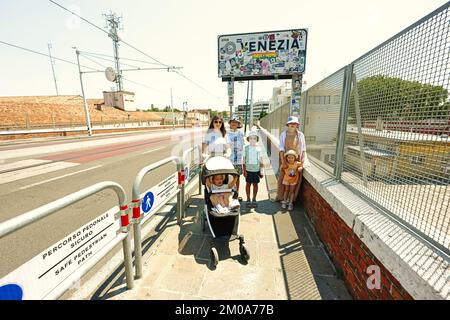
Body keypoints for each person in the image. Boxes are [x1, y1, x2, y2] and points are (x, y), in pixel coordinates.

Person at [276, 116, 307, 202]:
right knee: (283, 179)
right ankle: (281, 197)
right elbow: (281, 148)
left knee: (295, 180)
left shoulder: (300, 135)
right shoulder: (283, 134)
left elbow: (303, 149)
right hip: (285, 160)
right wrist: (283, 162)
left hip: (296, 162)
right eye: (291, 123)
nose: (293, 125)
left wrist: (301, 164)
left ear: (297, 125)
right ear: (288, 124)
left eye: (295, 123)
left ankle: (291, 200)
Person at [243, 131, 264, 208]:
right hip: (248, 170)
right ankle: (248, 198)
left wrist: (261, 171)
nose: (252, 140)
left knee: (255, 184)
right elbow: (244, 160)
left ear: (257, 139)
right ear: (248, 139)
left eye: (254, 138)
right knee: (248, 184)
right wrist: (244, 170)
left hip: (256, 170)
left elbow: (261, 161)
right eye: (251, 138)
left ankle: (254, 198)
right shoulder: (245, 148)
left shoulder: (259, 149)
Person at [227, 114, 245, 201]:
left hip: (238, 159)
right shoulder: (226, 133)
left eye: (236, 122)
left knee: (237, 177)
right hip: (229, 159)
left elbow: (243, 145)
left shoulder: (241, 133)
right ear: (229, 123)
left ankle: (236, 193)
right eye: (232, 122)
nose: (234, 123)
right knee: (229, 176)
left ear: (238, 124)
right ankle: (228, 193)